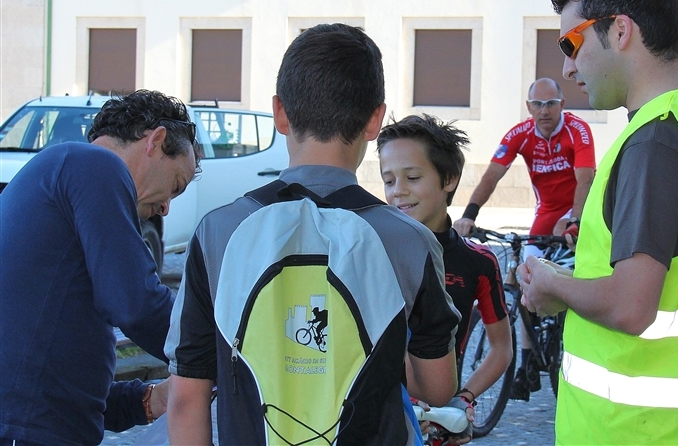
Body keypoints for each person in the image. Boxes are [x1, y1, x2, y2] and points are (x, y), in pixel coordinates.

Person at [166, 23, 461, 446]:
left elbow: (186, 399)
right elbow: (435, 390)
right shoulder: (409, 241)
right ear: (375, 119)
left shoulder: (218, 231)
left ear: (280, 113)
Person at [519, 0, 678, 445]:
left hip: (637, 430)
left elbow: (631, 306)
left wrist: (552, 286)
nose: (566, 66)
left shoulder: (655, 141)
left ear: (620, 30)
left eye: (571, 42)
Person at [0, 90, 201, 446]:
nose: (166, 207)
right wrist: (216, 350)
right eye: (175, 185)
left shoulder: (62, 173)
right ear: (156, 140)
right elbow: (135, 303)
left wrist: (151, 399)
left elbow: (61, 377)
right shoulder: (94, 164)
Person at [453, 77, 595, 400]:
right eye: (537, 105)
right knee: (521, 277)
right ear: (529, 107)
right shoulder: (520, 134)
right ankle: (527, 361)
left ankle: (563, 342)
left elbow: (586, 178)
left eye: (551, 104)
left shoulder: (578, 131)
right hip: (544, 215)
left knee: (567, 279)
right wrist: (469, 215)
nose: (544, 111)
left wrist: (576, 222)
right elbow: (492, 174)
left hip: (576, 212)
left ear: (562, 105)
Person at [378, 114, 513, 445]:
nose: (398, 192)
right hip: (381, 421)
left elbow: (501, 347)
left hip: (440, 427)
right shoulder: (372, 249)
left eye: (412, 177)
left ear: (449, 179)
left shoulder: (477, 261)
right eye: (389, 180)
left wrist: (464, 399)